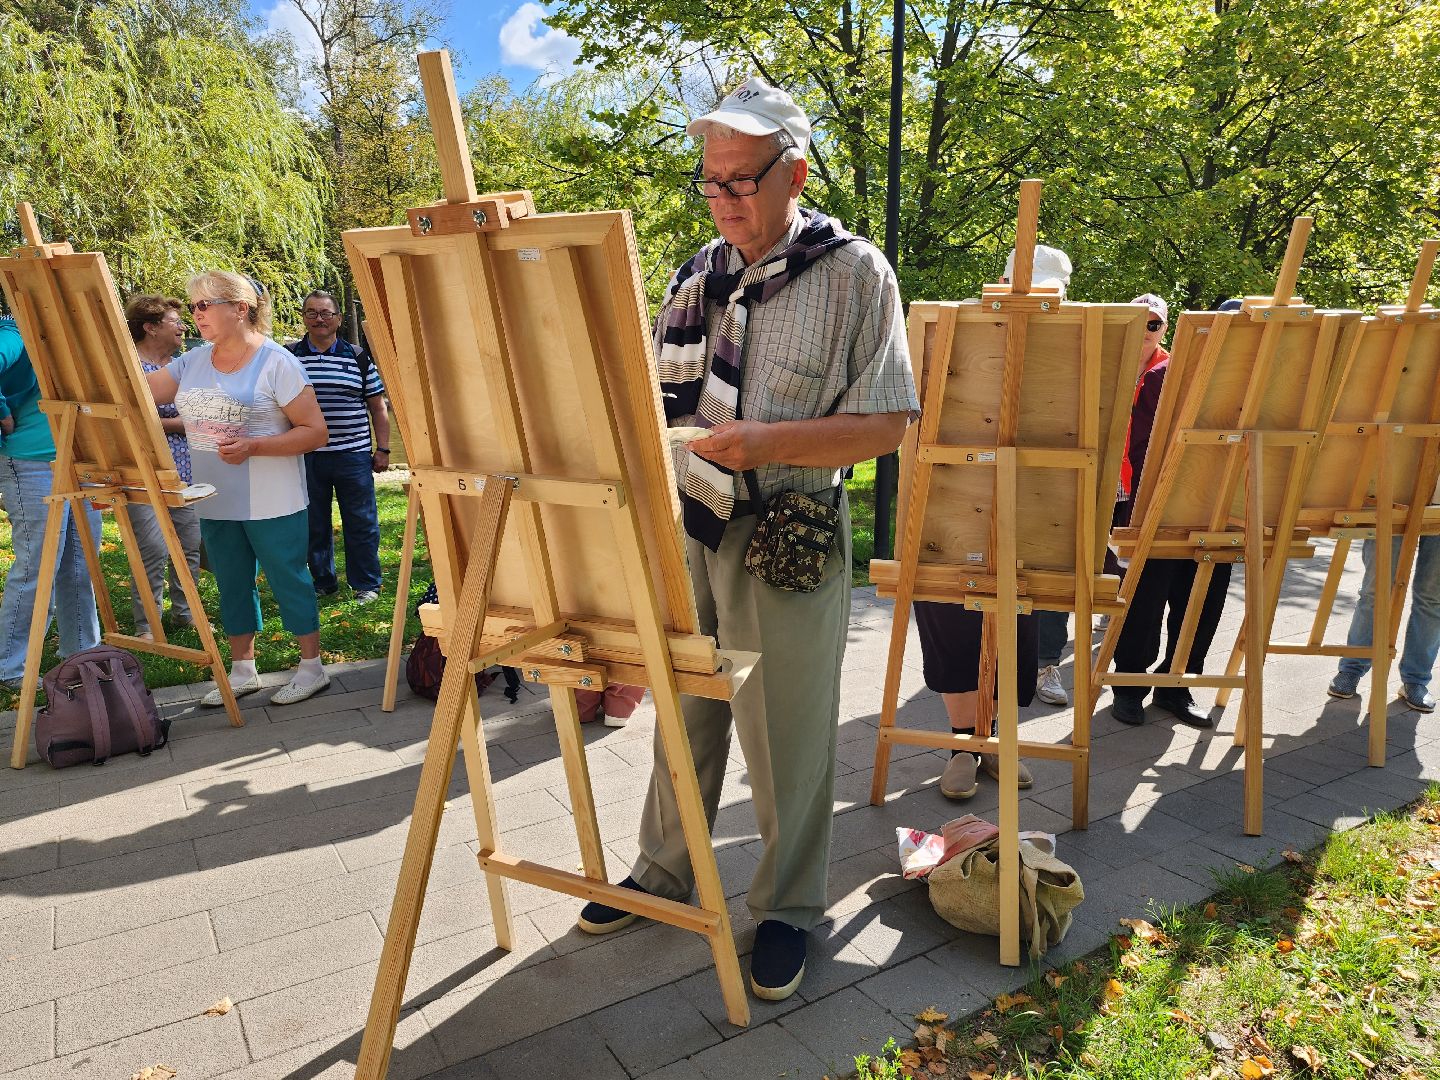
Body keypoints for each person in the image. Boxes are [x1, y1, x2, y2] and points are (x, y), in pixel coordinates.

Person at [572, 77, 918, 1003]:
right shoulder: (695, 275)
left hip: (790, 531)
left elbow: (887, 424)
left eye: (741, 180)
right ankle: (663, 869)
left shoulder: (855, 272)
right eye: (711, 181)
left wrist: (763, 443)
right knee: (686, 706)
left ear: (794, 171)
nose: (723, 199)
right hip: (691, 517)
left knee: (787, 733)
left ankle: (789, 908)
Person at [146, 272, 331, 707]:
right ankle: (243, 670)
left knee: (289, 579)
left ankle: (311, 667)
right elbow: (138, 393)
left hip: (274, 498)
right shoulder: (192, 361)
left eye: (205, 305)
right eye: (193, 307)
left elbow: (316, 431)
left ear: (240, 308)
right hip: (214, 496)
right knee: (230, 582)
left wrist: (255, 446)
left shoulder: (276, 361)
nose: (197, 315)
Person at [1109, 293, 1227, 728]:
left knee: (1202, 599)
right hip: (1153, 500)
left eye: (1154, 323)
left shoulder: (1184, 370)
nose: (1146, 329)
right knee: (1144, 595)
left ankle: (1176, 686)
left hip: (1215, 503)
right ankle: (1129, 687)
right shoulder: (1150, 372)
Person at [0, 318, 102, 687]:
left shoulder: (74, 329)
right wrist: (2, 411)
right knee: (38, 566)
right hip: (31, 461)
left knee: (81, 561)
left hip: (81, 459)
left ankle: (83, 651)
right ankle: (9, 665)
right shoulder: (16, 331)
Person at [1001, 244, 1075, 709]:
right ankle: (991, 662)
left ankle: (1045, 662)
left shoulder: (1077, 336)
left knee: (1050, 574)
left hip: (1055, 476)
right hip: (989, 476)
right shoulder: (981, 327)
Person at [286, 290, 390, 604]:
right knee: (313, 522)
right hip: (307, 456)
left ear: (338, 319)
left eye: (326, 313)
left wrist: (382, 448)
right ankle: (323, 582)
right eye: (312, 312)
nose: (319, 319)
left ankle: (366, 584)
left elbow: (378, 406)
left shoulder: (358, 356)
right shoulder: (289, 356)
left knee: (361, 520)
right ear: (304, 317)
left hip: (353, 454)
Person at [123, 295, 204, 640]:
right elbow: (132, 420)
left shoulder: (186, 365)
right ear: (151, 328)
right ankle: (147, 625)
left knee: (190, 544)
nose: (183, 327)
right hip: (144, 472)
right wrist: (181, 424)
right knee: (152, 549)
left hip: (186, 471)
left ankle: (186, 614)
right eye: (175, 322)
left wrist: (180, 422)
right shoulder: (129, 368)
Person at [1327, 530, 1440, 713]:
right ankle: (1351, 668)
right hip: (1389, 505)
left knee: (1433, 598)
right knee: (1375, 590)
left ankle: (1416, 680)